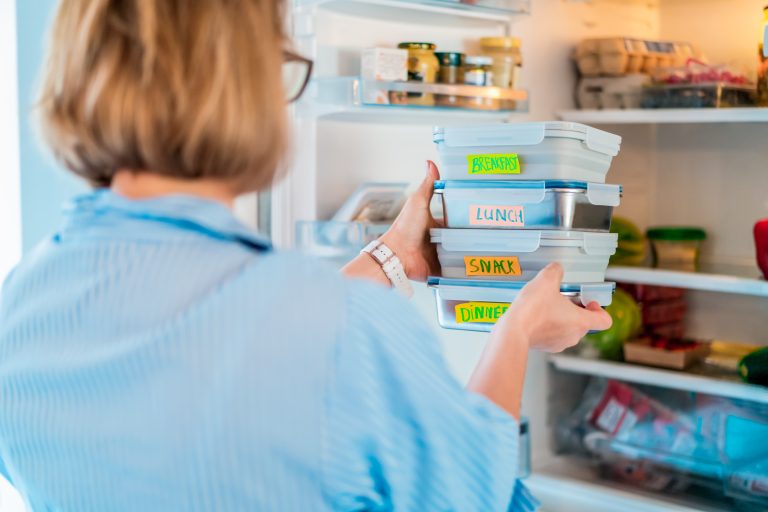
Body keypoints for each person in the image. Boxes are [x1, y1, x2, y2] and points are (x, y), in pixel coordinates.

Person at [0, 1, 612, 510]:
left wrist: (394, 257)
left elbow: (225, 344)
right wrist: (518, 328)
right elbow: (473, 494)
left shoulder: (22, 301)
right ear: (246, 86)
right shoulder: (344, 331)